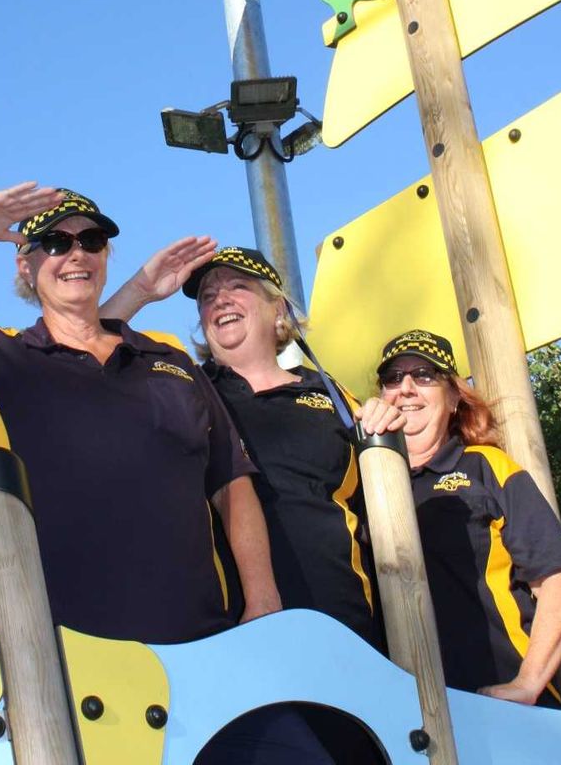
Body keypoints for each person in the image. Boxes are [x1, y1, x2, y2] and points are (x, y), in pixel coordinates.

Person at [0, 183, 281, 644]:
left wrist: (263, 602)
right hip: (67, 660)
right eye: (56, 243)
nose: (77, 254)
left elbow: (230, 481)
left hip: (208, 645)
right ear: (26, 264)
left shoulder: (169, 358)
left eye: (91, 241)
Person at [106, 245, 405, 646]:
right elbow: (83, 342)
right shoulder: (183, 386)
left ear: (277, 307)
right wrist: (141, 290)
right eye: (207, 297)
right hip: (231, 629)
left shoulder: (335, 396)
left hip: (346, 624)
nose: (220, 299)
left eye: (237, 286)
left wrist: (384, 423)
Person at [376, 328, 561, 707]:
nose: (405, 387)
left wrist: (527, 684)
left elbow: (559, 582)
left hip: (500, 702)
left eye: (424, 375)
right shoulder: (365, 483)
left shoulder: (486, 467)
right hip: (407, 716)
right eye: (393, 378)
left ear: (454, 396)